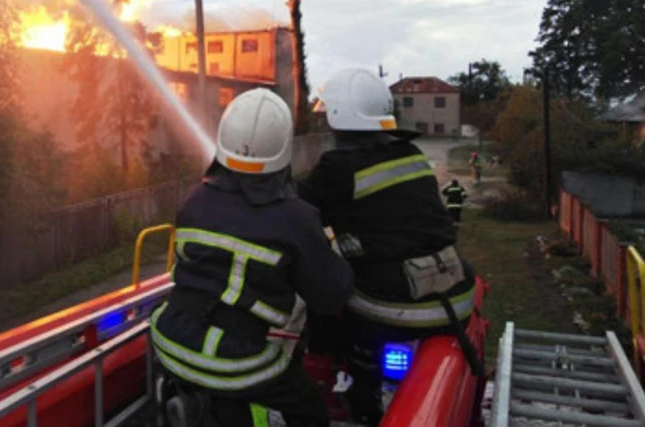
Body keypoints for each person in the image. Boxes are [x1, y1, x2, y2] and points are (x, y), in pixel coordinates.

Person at [152, 88, 354, 427]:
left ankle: (197, 409)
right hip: (232, 358)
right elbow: (329, 296)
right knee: (307, 403)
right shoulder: (295, 217)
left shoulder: (194, 200)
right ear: (284, 150)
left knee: (232, 390)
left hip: (170, 339)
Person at [299, 67, 478, 425]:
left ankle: (347, 388)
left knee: (322, 286)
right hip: (453, 293)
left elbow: (295, 212)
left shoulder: (338, 167)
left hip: (397, 306)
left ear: (338, 117)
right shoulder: (410, 152)